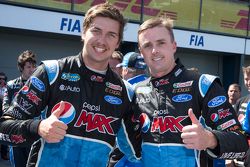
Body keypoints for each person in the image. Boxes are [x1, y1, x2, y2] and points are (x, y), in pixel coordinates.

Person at [0, 3, 139, 167]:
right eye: (96, 31)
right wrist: (38, 127)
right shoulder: (51, 73)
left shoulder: (126, 92)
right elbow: (4, 128)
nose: (102, 40)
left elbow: (138, 151)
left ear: (118, 42)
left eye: (111, 35)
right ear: (83, 32)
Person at [126, 17, 248, 167]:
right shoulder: (136, 92)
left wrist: (210, 139)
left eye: (161, 43)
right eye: (147, 45)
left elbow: (242, 144)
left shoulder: (203, 86)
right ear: (141, 52)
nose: (154, 50)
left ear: (174, 46)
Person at [108, 52, 148, 167]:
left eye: (122, 68)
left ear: (127, 70)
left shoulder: (124, 89)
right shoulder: (154, 85)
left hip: (125, 152)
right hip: (149, 152)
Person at [2, 50, 37, 167]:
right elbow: (5, 107)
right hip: (17, 132)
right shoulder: (11, 85)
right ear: (21, 68)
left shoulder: (40, 85)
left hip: (33, 132)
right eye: (28, 67)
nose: (32, 69)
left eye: (33, 66)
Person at [0, 72, 8, 160]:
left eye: (3, 79)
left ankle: (4, 153)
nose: (2, 80)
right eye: (0, 79)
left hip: (3, 114)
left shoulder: (7, 88)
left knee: (3, 133)